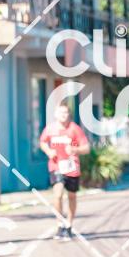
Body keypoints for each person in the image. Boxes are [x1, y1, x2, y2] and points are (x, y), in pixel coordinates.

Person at [39, 103, 90, 240]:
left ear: (69, 114)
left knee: (72, 196)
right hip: (56, 166)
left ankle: (69, 225)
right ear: (56, 114)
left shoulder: (75, 129)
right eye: (60, 112)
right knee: (58, 194)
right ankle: (59, 224)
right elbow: (42, 142)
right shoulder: (50, 129)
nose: (63, 115)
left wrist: (75, 149)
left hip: (72, 167)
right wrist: (49, 151)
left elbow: (86, 148)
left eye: (65, 112)